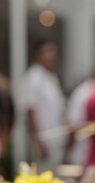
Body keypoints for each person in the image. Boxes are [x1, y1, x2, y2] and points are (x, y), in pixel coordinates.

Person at [23, 42, 68, 173]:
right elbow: (30, 110)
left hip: (57, 140)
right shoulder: (33, 77)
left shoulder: (52, 77)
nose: (51, 56)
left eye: (53, 53)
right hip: (44, 142)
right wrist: (39, 141)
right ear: (38, 54)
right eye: (47, 52)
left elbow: (60, 109)